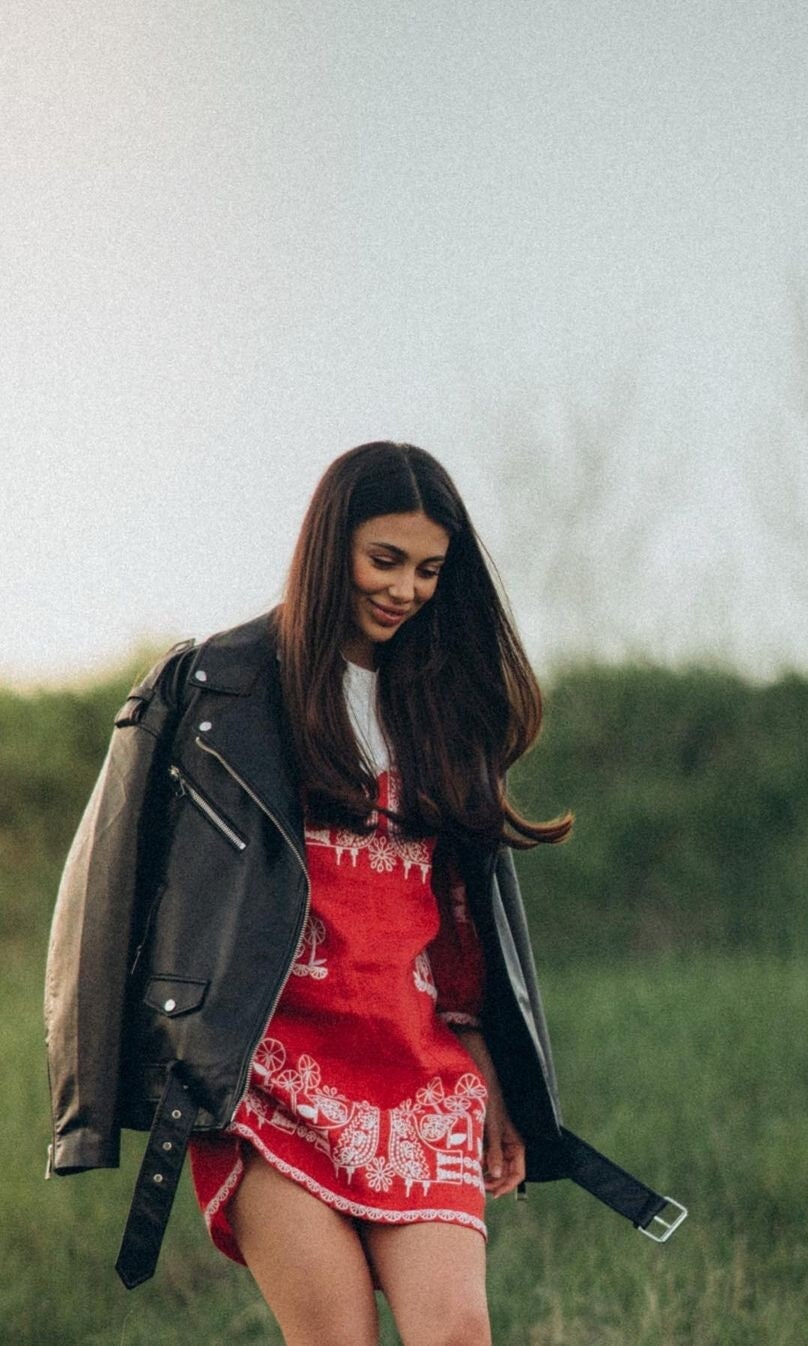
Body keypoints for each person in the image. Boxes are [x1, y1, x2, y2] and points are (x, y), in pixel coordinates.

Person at [45, 442, 681, 1346]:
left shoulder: (444, 709)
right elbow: (110, 892)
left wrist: (487, 1056)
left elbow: (462, 913)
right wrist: (94, 1107)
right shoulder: (219, 689)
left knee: (457, 1333)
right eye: (385, 561)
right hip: (269, 1080)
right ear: (329, 547)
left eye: (429, 570)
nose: (407, 589)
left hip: (417, 1076)